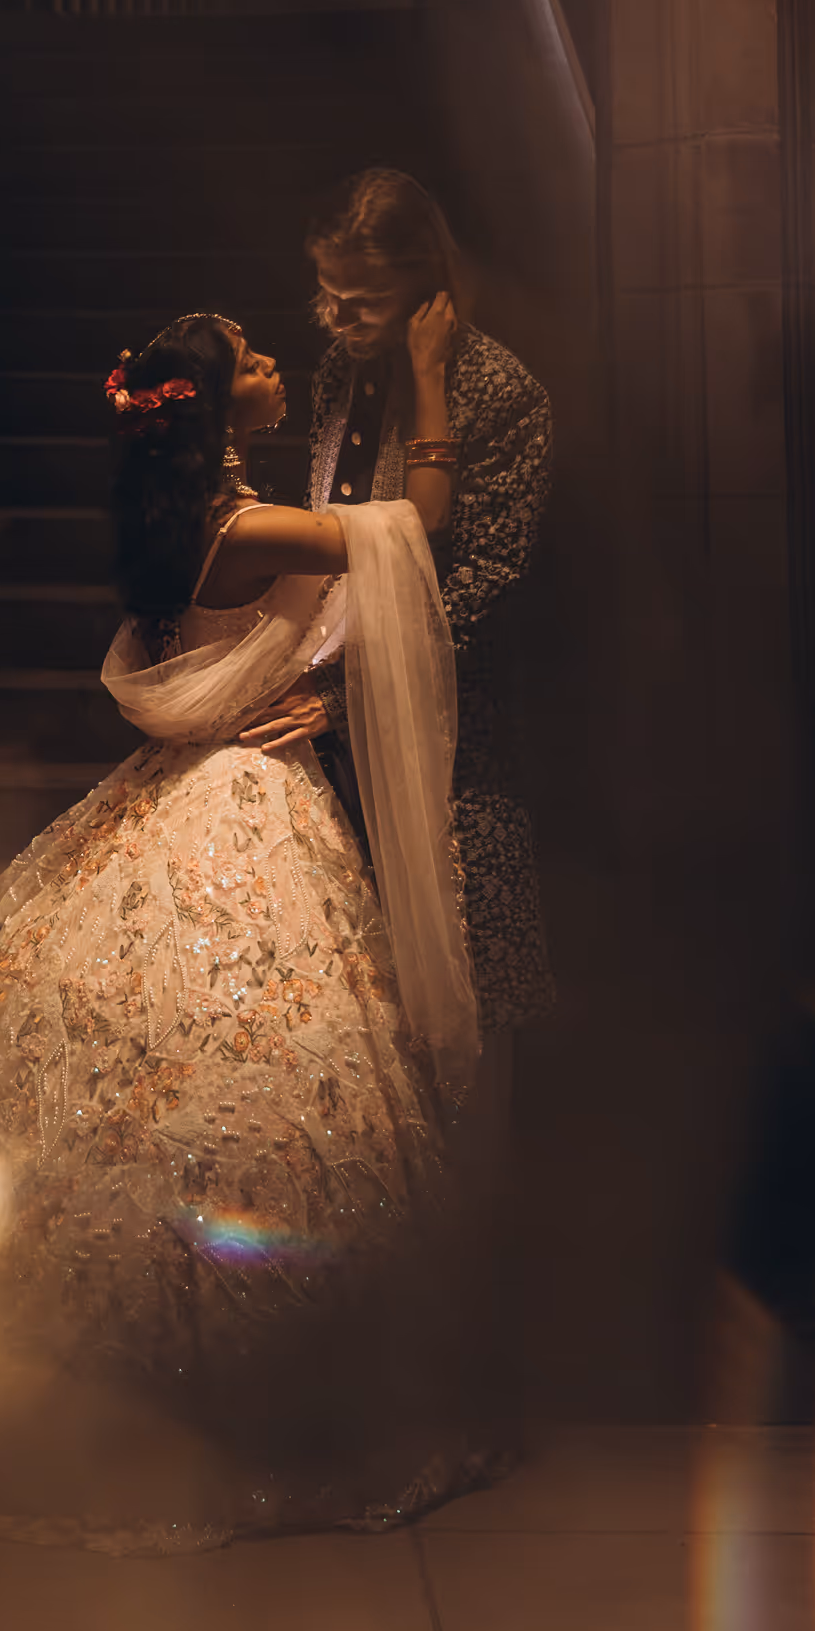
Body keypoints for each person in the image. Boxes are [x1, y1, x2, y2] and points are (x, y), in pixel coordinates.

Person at [0, 310, 504, 1552]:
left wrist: (306, 688)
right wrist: (424, 380)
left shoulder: (189, 520)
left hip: (189, 788)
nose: (270, 370)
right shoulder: (242, 530)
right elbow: (422, 527)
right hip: (237, 805)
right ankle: (233, 1386)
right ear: (208, 406)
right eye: (249, 363)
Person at [246, 168, 555, 1045]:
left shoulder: (501, 390)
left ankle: (484, 1177)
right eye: (327, 291)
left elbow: (485, 578)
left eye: (364, 299)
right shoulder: (341, 368)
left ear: (429, 287)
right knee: (349, 990)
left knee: (461, 974)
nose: (337, 317)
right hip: (333, 702)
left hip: (449, 722)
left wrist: (349, 692)